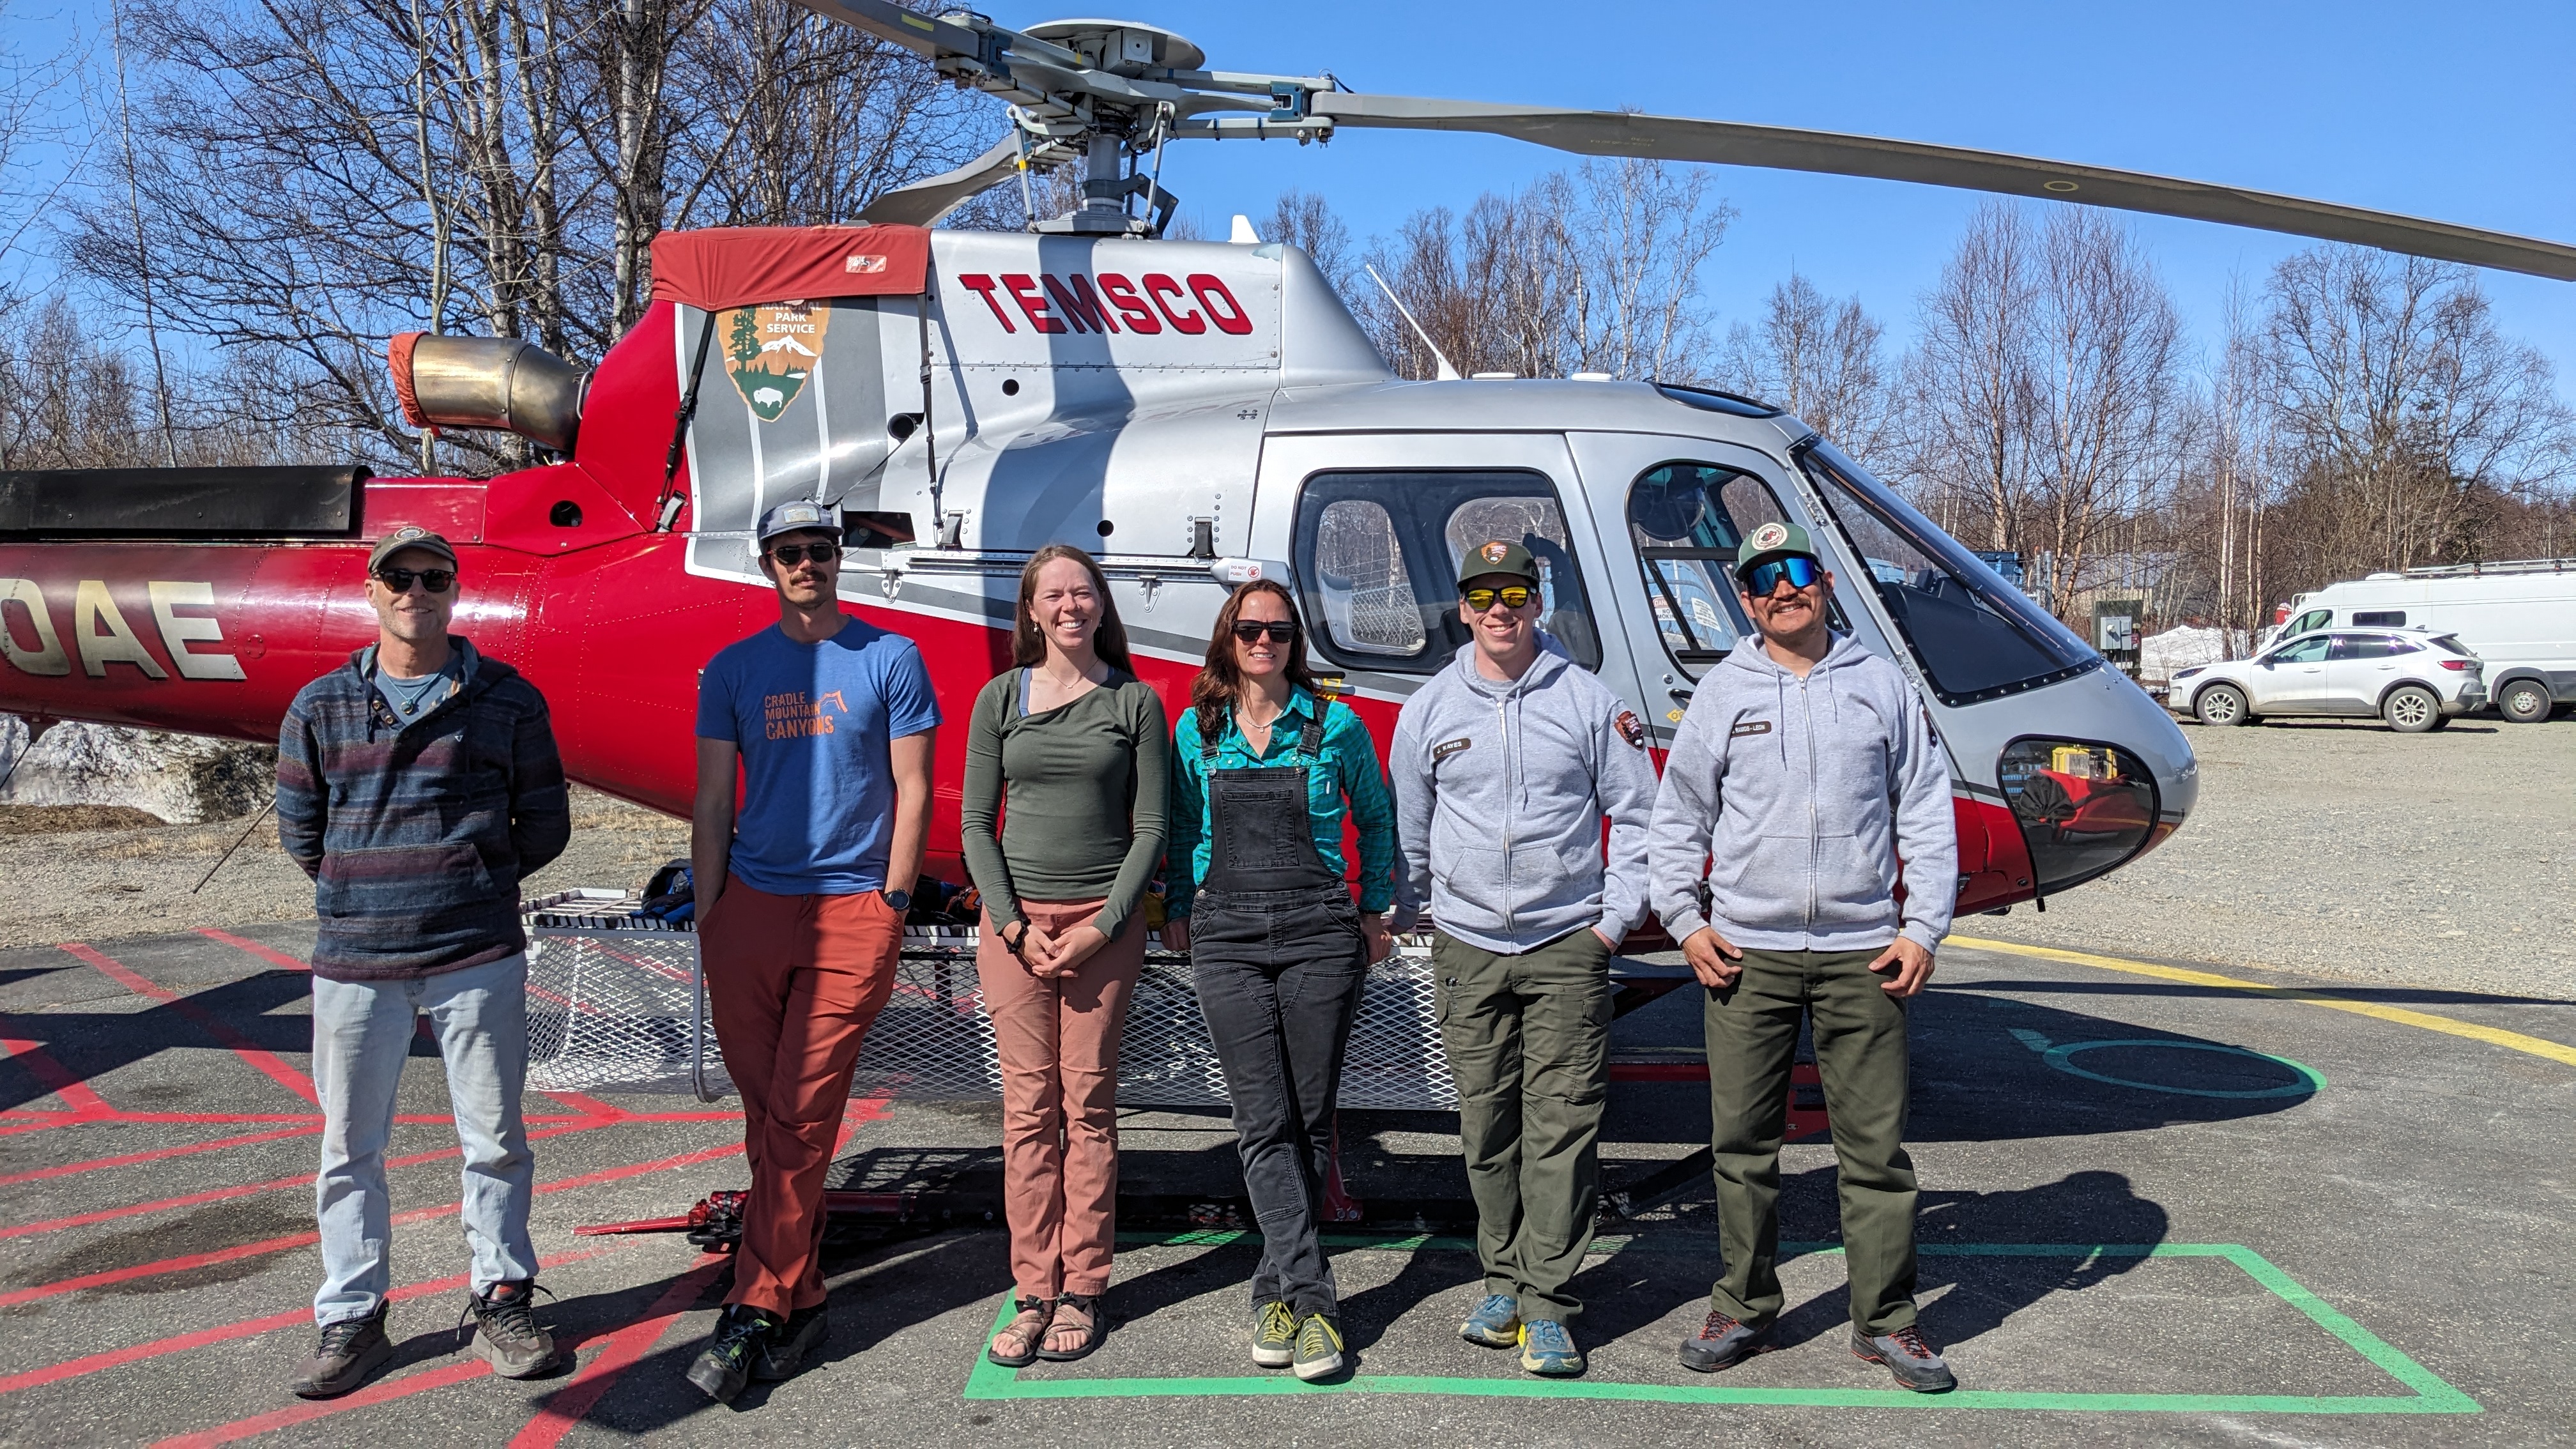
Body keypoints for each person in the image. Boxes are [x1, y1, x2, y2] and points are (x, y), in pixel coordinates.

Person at [1646, 520, 1960, 1392]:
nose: (1780, 591)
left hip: (1865, 951)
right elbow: (1679, 819)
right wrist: (1685, 921)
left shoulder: (1880, 685)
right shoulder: (1723, 692)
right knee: (1743, 1145)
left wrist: (1921, 926)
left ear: (1821, 581)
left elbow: (1926, 811)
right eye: (1760, 582)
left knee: (1876, 1152)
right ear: (1744, 601)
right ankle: (1743, 1308)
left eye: (1794, 574)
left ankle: (1888, 1323)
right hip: (1748, 953)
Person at [275, 524, 571, 1399]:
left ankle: (502, 1294)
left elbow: (545, 823)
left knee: (495, 1140)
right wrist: (366, 886)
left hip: (476, 955)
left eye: (432, 576)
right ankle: (352, 1315)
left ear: (453, 590)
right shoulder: (319, 707)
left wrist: (472, 879)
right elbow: (303, 832)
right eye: (396, 577)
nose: (415, 591)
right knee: (348, 1148)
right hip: (356, 962)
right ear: (371, 591)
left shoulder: (509, 700)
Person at [684, 500, 940, 1403]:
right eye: (789, 553)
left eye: (819, 550)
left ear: (839, 558)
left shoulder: (891, 658)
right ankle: (806, 1291)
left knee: (798, 1110)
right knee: (769, 1115)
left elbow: (915, 792)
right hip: (749, 909)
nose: (806, 564)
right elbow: (714, 804)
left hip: (851, 909)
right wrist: (713, 916)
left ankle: (757, 1305)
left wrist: (894, 902)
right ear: (767, 566)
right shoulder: (734, 669)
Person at [1388, 540, 1656, 1379]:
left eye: (1516, 593)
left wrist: (1611, 925)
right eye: (1483, 594)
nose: (1500, 608)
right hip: (1469, 947)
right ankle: (1501, 1281)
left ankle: (1548, 1304)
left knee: (1563, 1128)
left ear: (1538, 604)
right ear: (1462, 608)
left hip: (1565, 945)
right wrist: (1427, 912)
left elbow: (1639, 817)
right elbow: (1410, 830)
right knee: (1486, 1128)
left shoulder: (1588, 702)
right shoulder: (1428, 709)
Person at [1165, 579, 1397, 1382]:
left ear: (1297, 641)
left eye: (1280, 631)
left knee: (1308, 1118)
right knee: (1261, 1119)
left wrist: (1377, 910)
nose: (1265, 643)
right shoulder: (1197, 731)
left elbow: (1378, 817)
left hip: (1319, 933)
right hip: (1225, 932)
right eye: (1250, 629)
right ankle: (1315, 1300)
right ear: (1229, 639)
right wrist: (1176, 907)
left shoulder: (1338, 725)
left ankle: (1274, 1285)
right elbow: (1185, 827)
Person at [961, 544, 1169, 1368]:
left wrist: (1101, 927)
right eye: (1055, 595)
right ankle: (1032, 1290)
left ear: (1101, 605)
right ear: (1033, 610)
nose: (1072, 606)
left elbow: (1150, 829)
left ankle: (1083, 1287)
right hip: (1016, 931)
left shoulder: (1134, 703)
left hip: (1100, 930)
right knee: (1026, 1116)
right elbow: (978, 824)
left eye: (1085, 592)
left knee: (1087, 1111)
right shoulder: (1000, 699)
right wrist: (1013, 927)